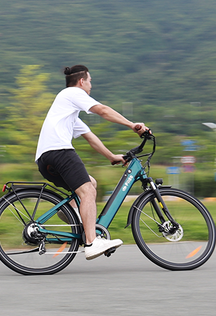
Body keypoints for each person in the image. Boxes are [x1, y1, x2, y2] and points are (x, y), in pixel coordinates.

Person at [35, 65, 149, 260]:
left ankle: (73, 217)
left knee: (90, 184)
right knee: (88, 191)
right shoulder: (72, 93)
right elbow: (103, 111)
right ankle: (91, 242)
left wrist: (111, 156)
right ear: (81, 81)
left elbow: (90, 137)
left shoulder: (67, 111)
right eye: (90, 81)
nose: (90, 86)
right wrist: (133, 125)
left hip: (44, 158)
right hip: (59, 151)